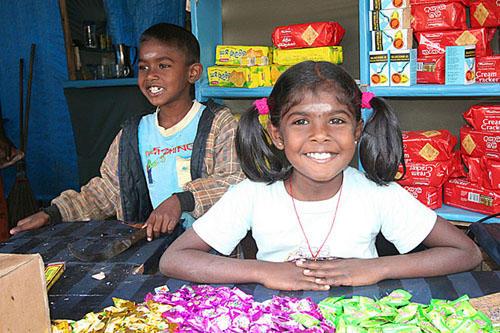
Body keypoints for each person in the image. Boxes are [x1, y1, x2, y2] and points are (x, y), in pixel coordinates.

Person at [160, 61, 482, 291]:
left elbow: (466, 253)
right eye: (301, 122)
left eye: (337, 121)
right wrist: (263, 271)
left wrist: (377, 268)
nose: (320, 136)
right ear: (277, 133)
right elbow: (174, 259)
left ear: (357, 130)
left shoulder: (378, 194)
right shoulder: (252, 194)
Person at [10, 23, 245, 242]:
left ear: (192, 73)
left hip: (211, 244)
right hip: (156, 245)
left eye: (163, 65)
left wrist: (182, 201)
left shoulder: (217, 122)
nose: (151, 75)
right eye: (143, 66)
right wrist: (54, 213)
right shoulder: (133, 134)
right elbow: (107, 190)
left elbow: (233, 181)